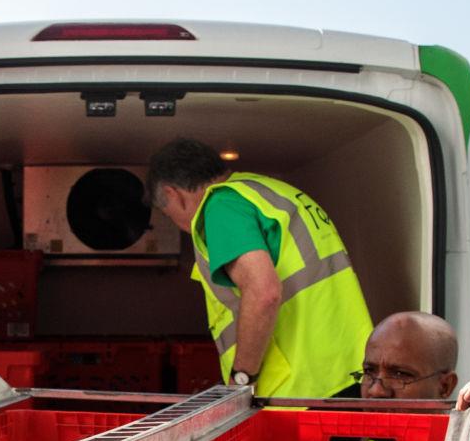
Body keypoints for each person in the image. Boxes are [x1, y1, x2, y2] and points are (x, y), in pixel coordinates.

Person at [145, 137, 372, 398]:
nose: (177, 223)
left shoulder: (221, 206)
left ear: (173, 194)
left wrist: (242, 378)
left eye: (168, 213)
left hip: (301, 388)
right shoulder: (271, 192)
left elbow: (264, 293)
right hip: (347, 371)